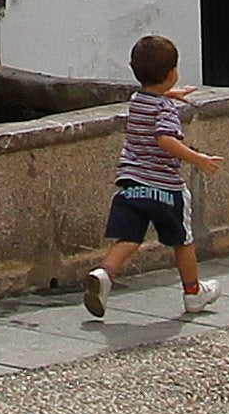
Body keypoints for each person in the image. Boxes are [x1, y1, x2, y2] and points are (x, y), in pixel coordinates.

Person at [81, 32, 221, 322]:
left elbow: (151, 100)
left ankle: (104, 274)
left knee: (129, 238)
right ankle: (193, 292)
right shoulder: (166, 110)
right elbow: (164, 138)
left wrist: (170, 94)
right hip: (165, 188)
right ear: (172, 73)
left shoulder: (137, 100)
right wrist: (198, 158)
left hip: (130, 185)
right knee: (183, 240)